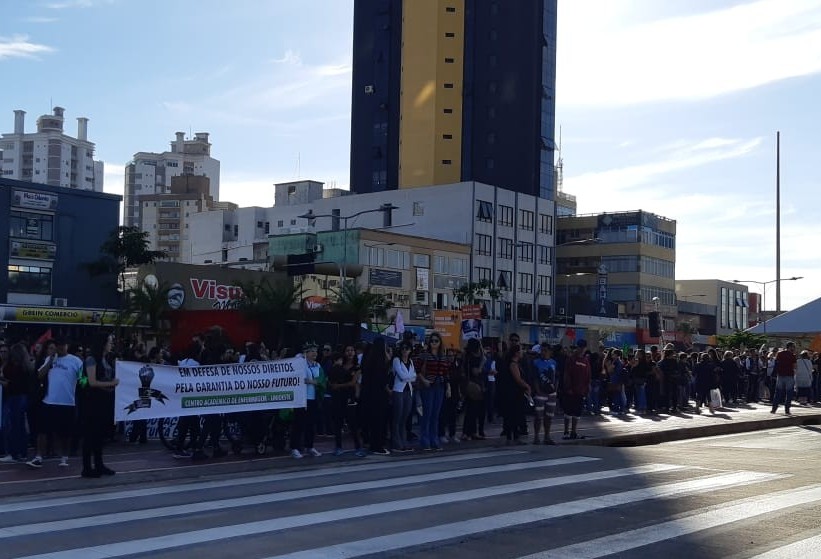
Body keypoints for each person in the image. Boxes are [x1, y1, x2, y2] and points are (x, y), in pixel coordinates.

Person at [27, 338, 83, 469]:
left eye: (63, 345)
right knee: (42, 431)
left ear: (67, 346)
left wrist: (83, 385)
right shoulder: (50, 359)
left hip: (68, 402)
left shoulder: (76, 361)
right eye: (58, 346)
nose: (61, 348)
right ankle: (39, 456)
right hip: (49, 401)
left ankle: (64, 457)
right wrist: (50, 361)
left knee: (65, 433)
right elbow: (39, 375)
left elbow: (83, 377)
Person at [79, 333, 120, 478]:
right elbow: (92, 381)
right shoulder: (92, 359)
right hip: (92, 404)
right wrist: (112, 383)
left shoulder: (105, 359)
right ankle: (87, 467)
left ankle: (99, 464)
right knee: (90, 435)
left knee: (99, 436)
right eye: (109, 342)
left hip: (103, 401)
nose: (111, 344)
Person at [415, 333, 451, 451]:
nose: (434, 343)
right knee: (427, 414)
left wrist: (448, 387)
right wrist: (424, 380)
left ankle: (434, 440)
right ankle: (425, 441)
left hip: (439, 386)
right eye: (432, 341)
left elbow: (446, 373)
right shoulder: (424, 355)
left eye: (436, 341)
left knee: (435, 414)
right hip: (428, 386)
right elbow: (417, 370)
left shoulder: (443, 356)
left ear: (440, 342)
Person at [328, 346, 364, 457]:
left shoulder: (357, 367)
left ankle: (358, 447)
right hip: (338, 397)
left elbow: (353, 382)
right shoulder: (339, 365)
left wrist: (338, 385)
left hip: (349, 397)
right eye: (347, 350)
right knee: (338, 423)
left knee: (352, 423)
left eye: (352, 350)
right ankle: (338, 447)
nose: (350, 352)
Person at [290, 343, 324, 459]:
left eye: (316, 351)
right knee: (298, 424)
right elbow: (299, 379)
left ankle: (309, 446)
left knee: (311, 424)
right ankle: (295, 448)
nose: (315, 353)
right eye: (312, 351)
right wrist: (311, 381)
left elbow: (320, 380)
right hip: (301, 398)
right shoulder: (301, 363)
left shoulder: (317, 365)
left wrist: (314, 382)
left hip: (313, 398)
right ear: (306, 353)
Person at [1, 343, 33, 463]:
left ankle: (14, 452)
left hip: (15, 396)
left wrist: (5, 382)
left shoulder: (16, 367)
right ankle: (21, 452)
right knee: (19, 425)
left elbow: (14, 384)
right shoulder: (26, 367)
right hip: (21, 397)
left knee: (14, 425)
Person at [360, 338, 392, 455]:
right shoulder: (379, 363)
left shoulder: (369, 360)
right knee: (379, 421)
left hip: (370, 395)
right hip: (378, 396)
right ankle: (377, 445)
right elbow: (382, 380)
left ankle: (374, 444)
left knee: (374, 421)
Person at [496, 344, 530, 445]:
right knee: (512, 416)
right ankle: (510, 437)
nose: (522, 352)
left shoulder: (516, 364)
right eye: (521, 350)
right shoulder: (513, 364)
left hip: (516, 393)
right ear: (516, 353)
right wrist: (527, 386)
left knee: (515, 416)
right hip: (512, 394)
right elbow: (518, 379)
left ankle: (515, 436)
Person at [390, 341, 416, 453]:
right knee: (397, 417)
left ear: (410, 350)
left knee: (405, 417)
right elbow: (401, 375)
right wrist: (408, 377)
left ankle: (403, 441)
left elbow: (414, 376)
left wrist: (408, 377)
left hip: (408, 391)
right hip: (398, 390)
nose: (405, 350)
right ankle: (396, 443)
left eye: (407, 348)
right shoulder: (396, 360)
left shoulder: (410, 361)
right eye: (403, 348)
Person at [562, 340, 591, 440]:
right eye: (580, 347)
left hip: (581, 391)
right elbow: (566, 374)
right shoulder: (571, 359)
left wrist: (587, 388)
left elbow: (588, 375)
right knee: (568, 411)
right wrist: (568, 387)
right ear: (577, 347)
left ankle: (573, 432)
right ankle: (566, 431)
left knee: (577, 412)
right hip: (571, 390)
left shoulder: (586, 361)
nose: (582, 349)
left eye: (583, 347)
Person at [531, 343, 558, 445]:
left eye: (545, 350)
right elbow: (534, 378)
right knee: (538, 416)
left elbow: (557, 376)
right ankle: (536, 436)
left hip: (551, 393)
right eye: (542, 350)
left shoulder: (554, 363)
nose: (543, 352)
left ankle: (547, 436)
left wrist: (555, 389)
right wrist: (537, 390)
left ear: (550, 351)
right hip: (540, 393)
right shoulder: (536, 362)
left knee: (549, 416)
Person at [461, 338, 487, 441]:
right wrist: (481, 366)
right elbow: (475, 371)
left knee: (472, 410)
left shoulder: (468, 356)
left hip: (471, 384)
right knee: (472, 410)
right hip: (474, 384)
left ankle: (470, 432)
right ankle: (468, 432)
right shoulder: (473, 358)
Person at [771, 342, 797, 415]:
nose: (794, 348)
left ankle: (774, 409)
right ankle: (787, 409)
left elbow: (776, 363)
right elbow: (794, 366)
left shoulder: (780, 353)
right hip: (789, 375)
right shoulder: (792, 355)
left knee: (778, 392)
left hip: (780, 375)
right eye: (793, 347)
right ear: (790, 347)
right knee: (789, 393)